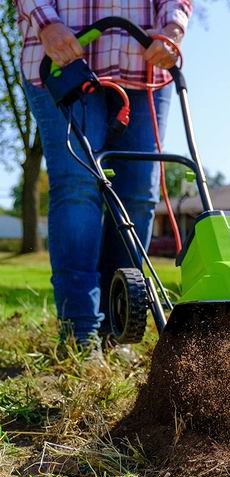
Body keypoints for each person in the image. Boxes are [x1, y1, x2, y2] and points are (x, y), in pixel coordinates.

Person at [15, 0, 192, 359]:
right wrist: (46, 23)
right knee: (78, 187)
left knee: (139, 196)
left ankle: (118, 328)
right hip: (62, 55)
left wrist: (173, 27)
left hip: (145, 61)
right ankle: (80, 332)